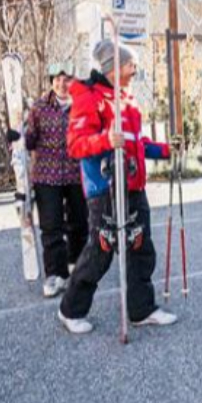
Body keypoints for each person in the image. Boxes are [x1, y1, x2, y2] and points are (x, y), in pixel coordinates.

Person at [57, 41, 176, 334]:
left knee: (141, 248)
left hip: (133, 184)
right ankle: (70, 309)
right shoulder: (90, 98)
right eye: (129, 64)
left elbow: (135, 143)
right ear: (112, 67)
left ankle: (141, 309)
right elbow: (75, 146)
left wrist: (164, 150)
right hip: (105, 187)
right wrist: (106, 141)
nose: (134, 70)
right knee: (101, 251)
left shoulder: (126, 99)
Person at [25, 63, 87, 298]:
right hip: (46, 176)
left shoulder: (82, 106)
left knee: (79, 224)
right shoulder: (39, 108)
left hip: (75, 174)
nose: (62, 84)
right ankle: (56, 275)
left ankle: (76, 264)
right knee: (51, 227)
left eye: (66, 79)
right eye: (57, 79)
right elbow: (29, 140)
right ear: (51, 81)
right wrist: (16, 138)